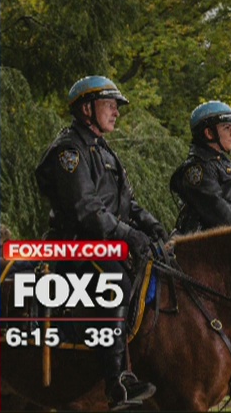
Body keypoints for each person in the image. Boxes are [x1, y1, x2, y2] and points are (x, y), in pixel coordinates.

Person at [33, 76, 166, 409]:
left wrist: (152, 227)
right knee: (115, 281)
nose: (116, 113)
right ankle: (117, 382)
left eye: (116, 107)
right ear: (86, 108)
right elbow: (86, 209)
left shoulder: (104, 150)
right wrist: (127, 234)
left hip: (104, 241)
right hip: (76, 245)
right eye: (110, 105)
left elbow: (129, 204)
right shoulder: (70, 150)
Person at [170, 101, 231, 234]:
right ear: (209, 133)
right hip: (207, 248)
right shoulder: (197, 169)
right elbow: (220, 215)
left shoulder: (223, 163)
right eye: (227, 128)